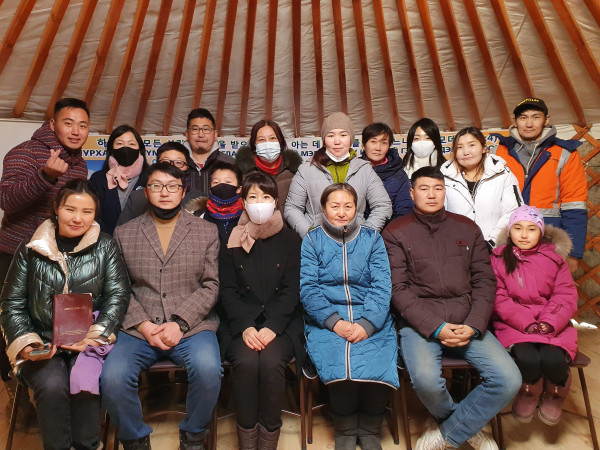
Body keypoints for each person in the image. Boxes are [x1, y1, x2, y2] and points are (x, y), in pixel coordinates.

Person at [382, 167, 521, 450]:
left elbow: (485, 281)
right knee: (426, 381)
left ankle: (448, 433)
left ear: (445, 191)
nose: (432, 195)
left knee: (509, 379)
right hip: (420, 323)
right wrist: (436, 327)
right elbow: (398, 289)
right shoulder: (395, 232)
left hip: (467, 318)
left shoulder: (467, 228)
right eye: (424, 189)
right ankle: (468, 429)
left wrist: (473, 325)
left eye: (438, 188)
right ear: (412, 194)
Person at [0, 179, 131, 450]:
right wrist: (27, 344)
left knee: (84, 381)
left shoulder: (106, 246)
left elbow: (118, 296)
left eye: (87, 212)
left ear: (95, 215)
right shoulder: (30, 248)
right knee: (52, 384)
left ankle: (88, 445)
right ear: (56, 209)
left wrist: (97, 336)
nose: (77, 218)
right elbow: (11, 303)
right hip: (43, 342)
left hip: (89, 341)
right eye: (70, 209)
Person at [101, 162, 222, 450]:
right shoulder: (124, 233)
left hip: (191, 326)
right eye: (156, 186)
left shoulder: (206, 231)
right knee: (113, 378)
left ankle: (193, 437)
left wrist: (180, 323)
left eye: (172, 186)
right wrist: (143, 325)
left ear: (183, 191)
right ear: (146, 191)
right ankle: (135, 440)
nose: (164, 192)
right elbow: (119, 288)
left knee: (209, 371)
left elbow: (210, 285)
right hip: (138, 327)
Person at [0, 98, 90, 387]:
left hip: (56, 258)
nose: (76, 131)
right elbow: (7, 201)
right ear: (52, 124)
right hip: (16, 254)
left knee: (45, 323)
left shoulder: (79, 164)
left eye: (82, 125)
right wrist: (45, 176)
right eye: (68, 123)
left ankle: (42, 381)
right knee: (13, 320)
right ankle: (11, 384)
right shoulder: (24, 153)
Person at [301, 183, 398, 450]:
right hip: (327, 320)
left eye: (348, 206)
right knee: (337, 357)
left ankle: (369, 429)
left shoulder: (372, 238)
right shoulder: (312, 240)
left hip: (371, 316)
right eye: (335, 206)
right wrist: (335, 323)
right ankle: (344, 430)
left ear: (357, 208)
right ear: (323, 209)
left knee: (376, 355)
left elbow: (382, 286)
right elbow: (309, 289)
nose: (342, 212)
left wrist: (367, 324)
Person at [219, 172, 303, 449]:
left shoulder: (291, 240)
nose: (259, 203)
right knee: (246, 363)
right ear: (243, 202)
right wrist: (245, 326)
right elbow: (227, 290)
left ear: (276, 202)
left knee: (270, 362)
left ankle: (268, 439)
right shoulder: (233, 239)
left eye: (266, 197)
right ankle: (246, 438)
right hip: (241, 324)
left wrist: (272, 327)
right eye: (252, 197)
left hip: (280, 324)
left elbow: (292, 290)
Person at [491, 206, 577, 426]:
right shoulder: (497, 259)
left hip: (553, 324)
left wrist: (549, 322)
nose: (524, 234)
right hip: (514, 325)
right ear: (509, 232)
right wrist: (526, 323)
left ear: (541, 232)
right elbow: (499, 298)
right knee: (527, 358)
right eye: (518, 228)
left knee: (553, 359)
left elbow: (564, 296)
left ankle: (556, 394)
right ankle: (529, 391)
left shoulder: (555, 260)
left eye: (531, 229)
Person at [491, 97, 587, 272]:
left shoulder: (565, 153)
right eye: (523, 118)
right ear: (515, 121)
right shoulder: (498, 152)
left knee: (546, 287)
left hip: (548, 241)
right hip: (506, 239)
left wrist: (573, 253)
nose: (529, 124)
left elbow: (574, 205)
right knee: (506, 287)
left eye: (536, 117)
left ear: (546, 120)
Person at [285, 112, 392, 238]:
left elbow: (383, 205)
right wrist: (310, 234)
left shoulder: (364, 169)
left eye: (343, 135)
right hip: (318, 242)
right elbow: (292, 207)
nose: (337, 141)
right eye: (331, 135)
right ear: (324, 140)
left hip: (356, 242)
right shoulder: (306, 169)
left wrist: (364, 236)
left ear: (351, 138)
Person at [441, 127, 522, 249]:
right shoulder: (443, 177)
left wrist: (492, 243)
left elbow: (513, 212)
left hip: (496, 249)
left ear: (484, 148)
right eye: (460, 147)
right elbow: (439, 215)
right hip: (456, 249)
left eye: (472, 145)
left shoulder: (503, 174)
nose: (466, 152)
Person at [117, 141, 203, 225]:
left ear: (187, 167)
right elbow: (123, 231)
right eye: (165, 162)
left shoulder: (201, 199)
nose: (171, 166)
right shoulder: (136, 198)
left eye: (178, 163)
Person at [89, 124, 149, 235]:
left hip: (142, 241)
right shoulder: (98, 179)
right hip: (105, 240)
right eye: (120, 143)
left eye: (131, 144)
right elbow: (91, 213)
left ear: (140, 150)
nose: (126, 147)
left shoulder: (151, 177)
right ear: (111, 150)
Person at [235, 119, 303, 213]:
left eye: (272, 138)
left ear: (280, 141)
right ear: (254, 144)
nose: (267, 144)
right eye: (261, 139)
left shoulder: (295, 172)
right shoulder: (242, 174)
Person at [360, 122, 413, 220]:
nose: (378, 148)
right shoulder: (354, 169)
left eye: (384, 143)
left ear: (389, 146)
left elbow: (404, 210)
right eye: (373, 141)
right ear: (363, 145)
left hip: (390, 228)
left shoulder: (399, 175)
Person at [188, 161, 244, 246]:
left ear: (239, 189)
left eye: (228, 182)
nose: (222, 185)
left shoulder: (249, 215)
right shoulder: (198, 216)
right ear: (210, 189)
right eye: (216, 182)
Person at [184, 108, 235, 194]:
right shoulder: (177, 164)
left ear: (215, 135)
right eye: (195, 129)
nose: (201, 135)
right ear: (187, 135)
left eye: (206, 129)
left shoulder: (231, 164)